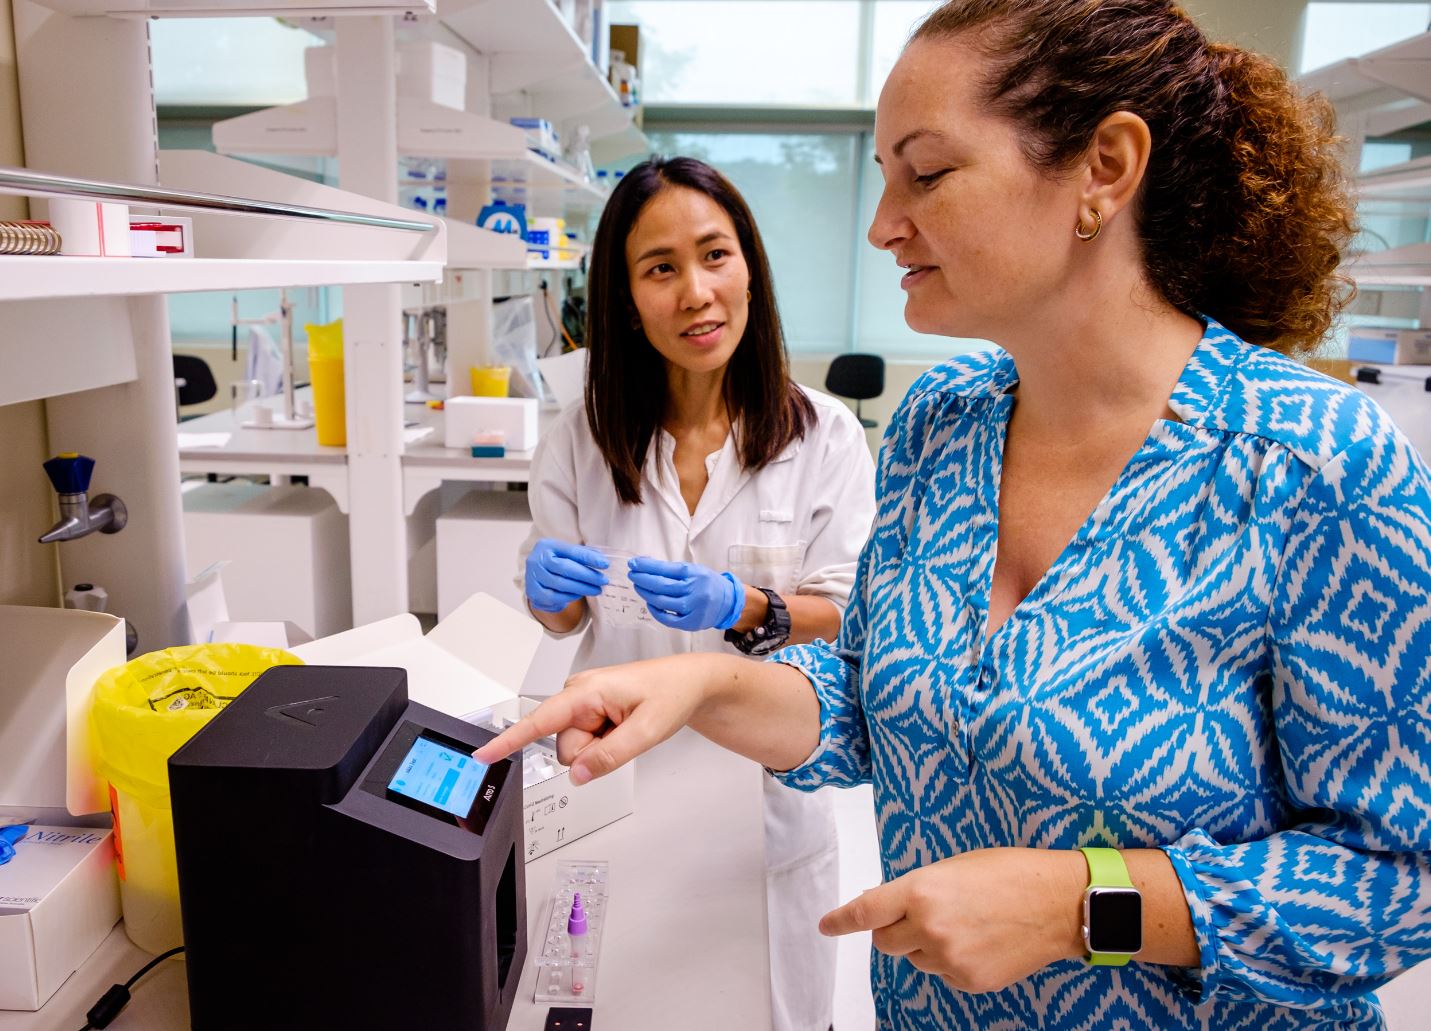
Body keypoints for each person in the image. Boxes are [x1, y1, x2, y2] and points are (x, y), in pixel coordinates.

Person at [483, 2, 1431, 1028]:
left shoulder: (1313, 461)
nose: (882, 222)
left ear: (1104, 169)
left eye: (926, 173)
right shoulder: (947, 419)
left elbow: (1402, 874)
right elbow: (861, 703)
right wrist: (702, 679)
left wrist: (1083, 906)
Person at [515, 156, 876, 1031]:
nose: (695, 293)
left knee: (764, 1006)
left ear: (749, 263)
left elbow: (854, 618)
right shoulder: (581, 435)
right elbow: (564, 614)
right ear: (625, 297)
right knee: (623, 998)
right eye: (660, 268)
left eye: (714, 256)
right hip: (613, 779)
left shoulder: (823, 434)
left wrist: (745, 607)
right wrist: (545, 587)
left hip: (762, 788)